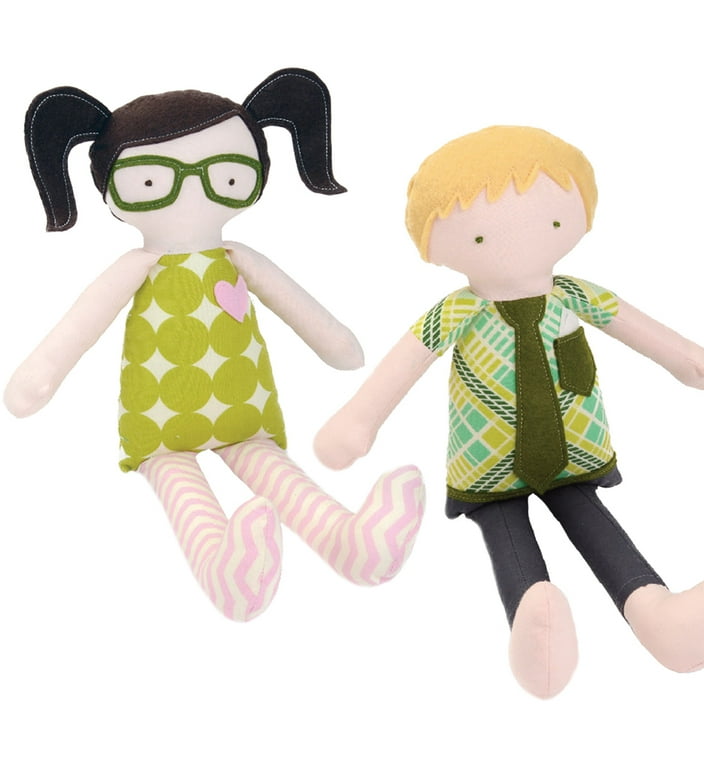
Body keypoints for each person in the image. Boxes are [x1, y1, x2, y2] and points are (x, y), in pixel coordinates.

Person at [314, 125, 704, 698]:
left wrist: (686, 359)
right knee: (507, 527)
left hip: (574, 456)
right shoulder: (457, 311)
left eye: (551, 222)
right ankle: (535, 617)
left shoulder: (573, 294)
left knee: (590, 518)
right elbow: (402, 364)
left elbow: (637, 327)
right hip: (489, 468)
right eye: (482, 235)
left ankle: (660, 617)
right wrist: (359, 420)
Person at [5, 71, 424, 622]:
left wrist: (336, 343)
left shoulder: (239, 259)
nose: (193, 190)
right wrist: (40, 375)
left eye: (224, 175)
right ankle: (222, 569)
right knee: (179, 482)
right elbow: (79, 325)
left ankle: (352, 543)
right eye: (153, 180)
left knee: (271, 466)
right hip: (160, 432)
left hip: (243, 415)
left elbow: (303, 310)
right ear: (114, 186)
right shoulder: (137, 266)